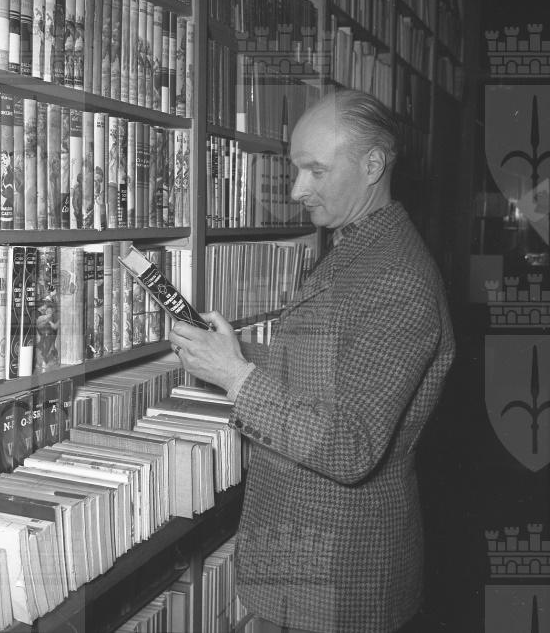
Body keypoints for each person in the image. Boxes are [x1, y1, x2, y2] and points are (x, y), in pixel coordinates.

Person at [169, 89, 455, 633]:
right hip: (305, 553)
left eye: (316, 171)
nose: (297, 190)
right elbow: (327, 368)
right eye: (295, 169)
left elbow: (351, 446)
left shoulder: (397, 278)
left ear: (372, 166)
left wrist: (234, 374)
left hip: (341, 568)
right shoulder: (358, 246)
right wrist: (230, 353)